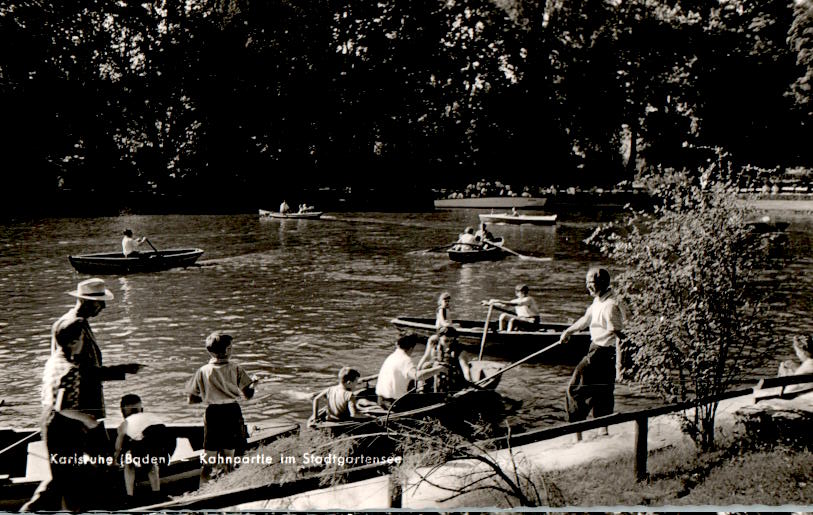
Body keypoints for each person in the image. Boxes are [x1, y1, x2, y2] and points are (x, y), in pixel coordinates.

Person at [23, 317, 141, 512]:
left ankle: (36, 508)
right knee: (67, 478)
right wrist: (88, 420)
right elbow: (61, 407)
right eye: (81, 340)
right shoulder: (70, 369)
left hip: (49, 421)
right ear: (73, 342)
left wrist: (124, 369)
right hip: (62, 426)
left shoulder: (54, 361)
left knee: (61, 475)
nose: (83, 345)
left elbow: (50, 396)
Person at [559, 267, 626, 440]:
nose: (587, 286)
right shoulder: (599, 300)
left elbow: (620, 337)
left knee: (575, 390)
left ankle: (577, 437)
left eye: (591, 283)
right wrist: (568, 331)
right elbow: (586, 319)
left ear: (603, 283)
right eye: (587, 282)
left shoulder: (610, 305)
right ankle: (602, 432)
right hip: (600, 350)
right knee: (602, 392)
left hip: (602, 351)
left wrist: (620, 366)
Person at [186, 331, 257, 485]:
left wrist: (208, 393)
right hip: (231, 411)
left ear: (209, 352)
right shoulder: (236, 368)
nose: (229, 351)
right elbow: (248, 395)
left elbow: (191, 399)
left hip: (212, 413)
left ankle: (202, 490)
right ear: (228, 350)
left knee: (209, 458)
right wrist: (254, 384)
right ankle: (228, 487)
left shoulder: (202, 371)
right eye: (230, 348)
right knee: (229, 457)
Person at [114, 394, 174, 499]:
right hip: (169, 443)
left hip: (150, 441)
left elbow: (118, 446)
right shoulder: (150, 416)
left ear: (122, 411)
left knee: (128, 460)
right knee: (151, 461)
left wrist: (116, 459)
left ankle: (130, 496)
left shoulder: (125, 423)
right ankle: (156, 493)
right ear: (141, 408)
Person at [375, 334, 444, 410]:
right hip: (394, 403)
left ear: (398, 345)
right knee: (436, 400)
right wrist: (439, 369)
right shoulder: (405, 360)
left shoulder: (392, 357)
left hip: (381, 399)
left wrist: (426, 355)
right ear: (411, 348)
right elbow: (417, 376)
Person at [417, 326, 472, 393]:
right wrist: (417, 370)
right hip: (438, 371)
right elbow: (426, 357)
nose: (449, 343)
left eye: (451, 341)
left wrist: (469, 382)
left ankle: (443, 394)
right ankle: (422, 389)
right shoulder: (434, 344)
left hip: (453, 375)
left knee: (440, 370)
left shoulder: (460, 350)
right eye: (446, 341)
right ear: (439, 338)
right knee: (426, 366)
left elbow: (465, 368)